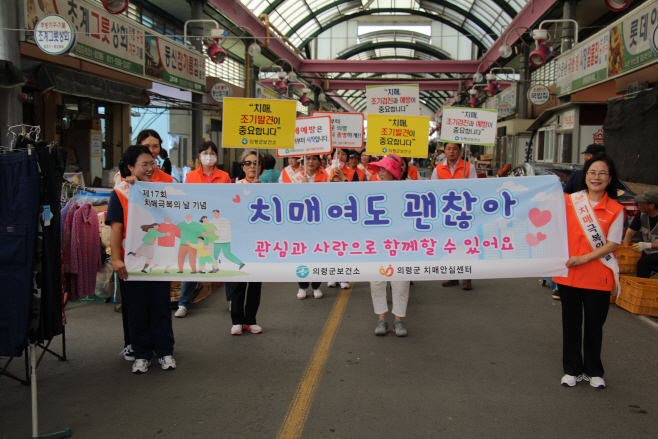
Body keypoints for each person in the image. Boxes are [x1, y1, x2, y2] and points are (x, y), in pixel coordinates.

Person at [552, 154, 624, 389]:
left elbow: (612, 244)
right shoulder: (569, 201)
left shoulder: (615, 209)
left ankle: (594, 371)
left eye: (602, 173)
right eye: (592, 172)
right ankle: (572, 370)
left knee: (594, 326)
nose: (597, 177)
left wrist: (583, 258)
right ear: (585, 176)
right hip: (570, 276)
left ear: (610, 179)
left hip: (598, 276)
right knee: (571, 324)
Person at [107, 145, 176, 373]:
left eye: (151, 163)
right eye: (143, 164)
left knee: (160, 305)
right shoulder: (121, 192)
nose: (149, 168)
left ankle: (165, 352)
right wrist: (116, 259)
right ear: (130, 167)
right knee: (136, 307)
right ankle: (142, 353)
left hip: (159, 257)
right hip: (131, 258)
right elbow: (116, 229)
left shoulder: (162, 189)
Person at [176, 141, 231, 317]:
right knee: (194, 264)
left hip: (217, 227)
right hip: (197, 228)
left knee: (222, 262)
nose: (209, 155)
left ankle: (231, 300)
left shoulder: (224, 176)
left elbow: (228, 202)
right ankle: (183, 303)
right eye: (205, 152)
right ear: (199, 156)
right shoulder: (190, 177)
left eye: (212, 152)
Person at [366, 153, 411, 337]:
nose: (381, 172)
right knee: (377, 281)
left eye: (385, 169)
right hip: (377, 244)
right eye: (381, 169)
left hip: (402, 244)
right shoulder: (372, 189)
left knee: (401, 281)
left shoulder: (408, 191)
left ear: (394, 172)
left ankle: (398, 320)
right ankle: (381, 319)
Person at [281, 154, 329, 299]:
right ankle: (302, 286)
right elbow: (286, 196)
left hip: (319, 222)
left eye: (314, 159)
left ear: (319, 162)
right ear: (303, 160)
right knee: (301, 253)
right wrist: (301, 186)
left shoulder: (325, 176)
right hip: (299, 223)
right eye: (308, 159)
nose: (310, 162)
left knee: (317, 253)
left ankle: (316, 286)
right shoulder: (294, 176)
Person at [431, 142, 477, 290]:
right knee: (450, 244)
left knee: (465, 243)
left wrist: (467, 185)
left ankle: (467, 277)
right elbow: (433, 191)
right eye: (448, 149)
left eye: (455, 149)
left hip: (465, 212)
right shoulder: (438, 169)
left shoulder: (469, 167)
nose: (451, 152)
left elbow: (477, 190)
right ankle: (452, 275)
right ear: (444, 150)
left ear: (460, 150)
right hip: (446, 213)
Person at [231, 149, 263, 335]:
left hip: (258, 243)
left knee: (256, 283)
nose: (252, 166)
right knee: (238, 283)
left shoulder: (268, 187)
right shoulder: (234, 187)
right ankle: (236, 320)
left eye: (256, 163)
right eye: (248, 163)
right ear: (242, 167)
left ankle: (251, 319)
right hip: (239, 242)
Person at [622, 191, 658, 278]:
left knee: (645, 261)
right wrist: (626, 251)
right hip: (648, 250)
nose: (638, 205)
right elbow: (630, 233)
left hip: (654, 250)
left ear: (651, 206)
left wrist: (647, 245)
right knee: (623, 257)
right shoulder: (641, 214)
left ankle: (641, 284)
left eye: (641, 203)